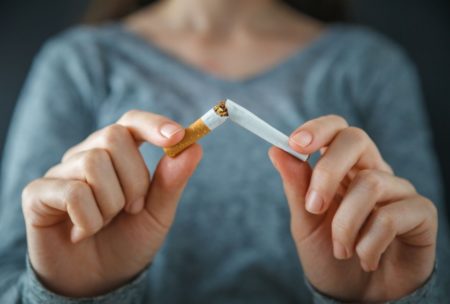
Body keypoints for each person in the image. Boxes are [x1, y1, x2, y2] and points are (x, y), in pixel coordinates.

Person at [0, 0, 449, 302]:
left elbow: (431, 267)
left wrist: (391, 296)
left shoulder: (367, 65)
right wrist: (65, 290)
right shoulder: (81, 62)